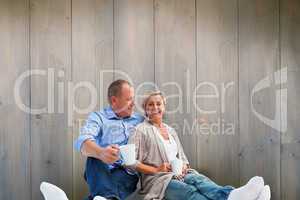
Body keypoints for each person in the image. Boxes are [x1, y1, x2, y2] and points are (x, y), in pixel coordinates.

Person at [127, 91, 271, 200]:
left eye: (158, 103)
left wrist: (184, 166)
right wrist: (156, 169)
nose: (155, 107)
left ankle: (232, 195)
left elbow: (183, 158)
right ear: (145, 109)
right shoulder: (140, 130)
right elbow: (130, 162)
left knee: (200, 180)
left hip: (180, 174)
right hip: (158, 180)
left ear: (164, 107)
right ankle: (235, 196)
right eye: (150, 104)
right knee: (188, 191)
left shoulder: (170, 130)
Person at [74, 80, 144, 200]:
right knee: (94, 157)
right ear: (114, 100)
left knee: (103, 194)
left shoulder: (140, 120)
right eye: (129, 99)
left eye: (133, 99)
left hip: (125, 173)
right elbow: (82, 141)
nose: (133, 104)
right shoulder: (98, 117)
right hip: (100, 170)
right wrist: (101, 152)